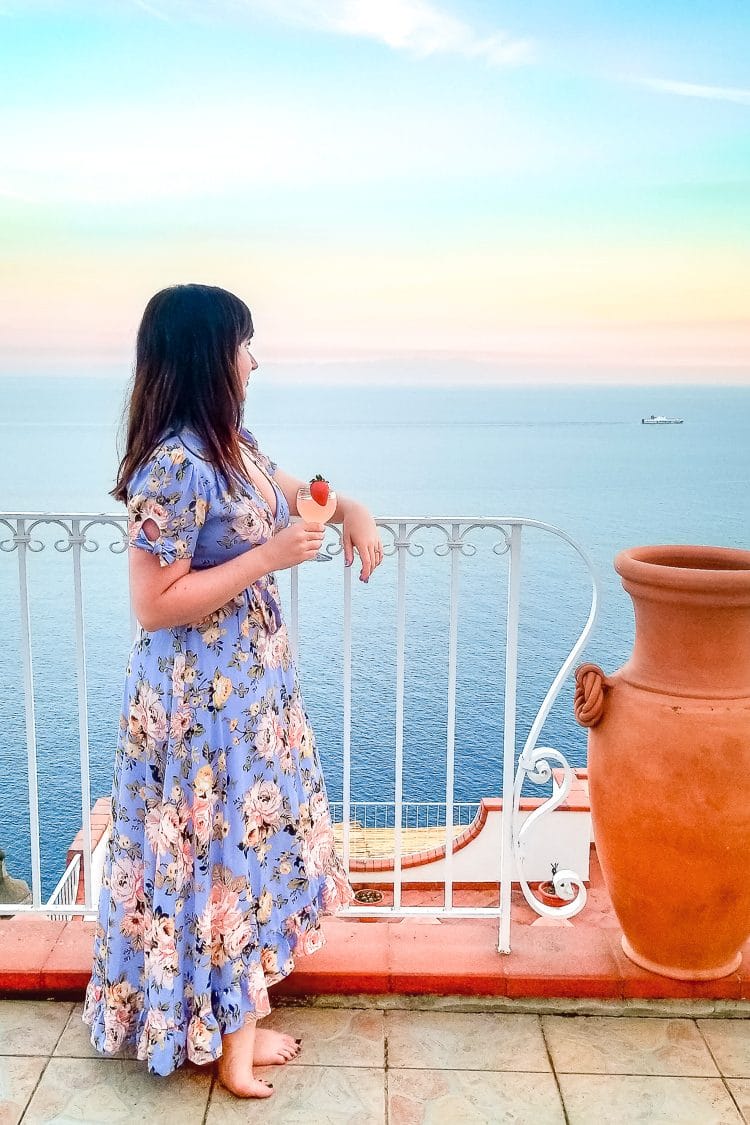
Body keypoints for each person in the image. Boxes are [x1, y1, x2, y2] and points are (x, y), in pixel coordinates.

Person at [82, 283, 383, 1098]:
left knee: (239, 856)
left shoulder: (231, 442)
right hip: (197, 702)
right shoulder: (174, 464)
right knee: (218, 860)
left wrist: (350, 507)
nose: (255, 359)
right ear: (209, 357)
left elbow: (295, 490)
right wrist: (268, 558)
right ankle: (229, 1045)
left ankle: (229, 1026)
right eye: (244, 345)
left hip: (247, 695)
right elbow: (152, 602)